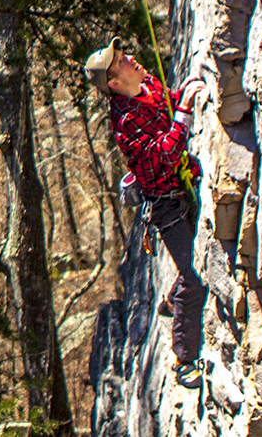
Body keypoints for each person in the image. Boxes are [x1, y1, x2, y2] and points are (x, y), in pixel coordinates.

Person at [85, 43, 206, 386]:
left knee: (188, 267)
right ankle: (185, 361)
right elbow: (167, 151)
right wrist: (184, 109)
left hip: (184, 185)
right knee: (193, 282)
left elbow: (170, 101)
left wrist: (184, 93)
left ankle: (171, 300)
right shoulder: (126, 123)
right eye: (122, 62)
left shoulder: (149, 86)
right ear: (114, 83)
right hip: (165, 205)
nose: (132, 59)